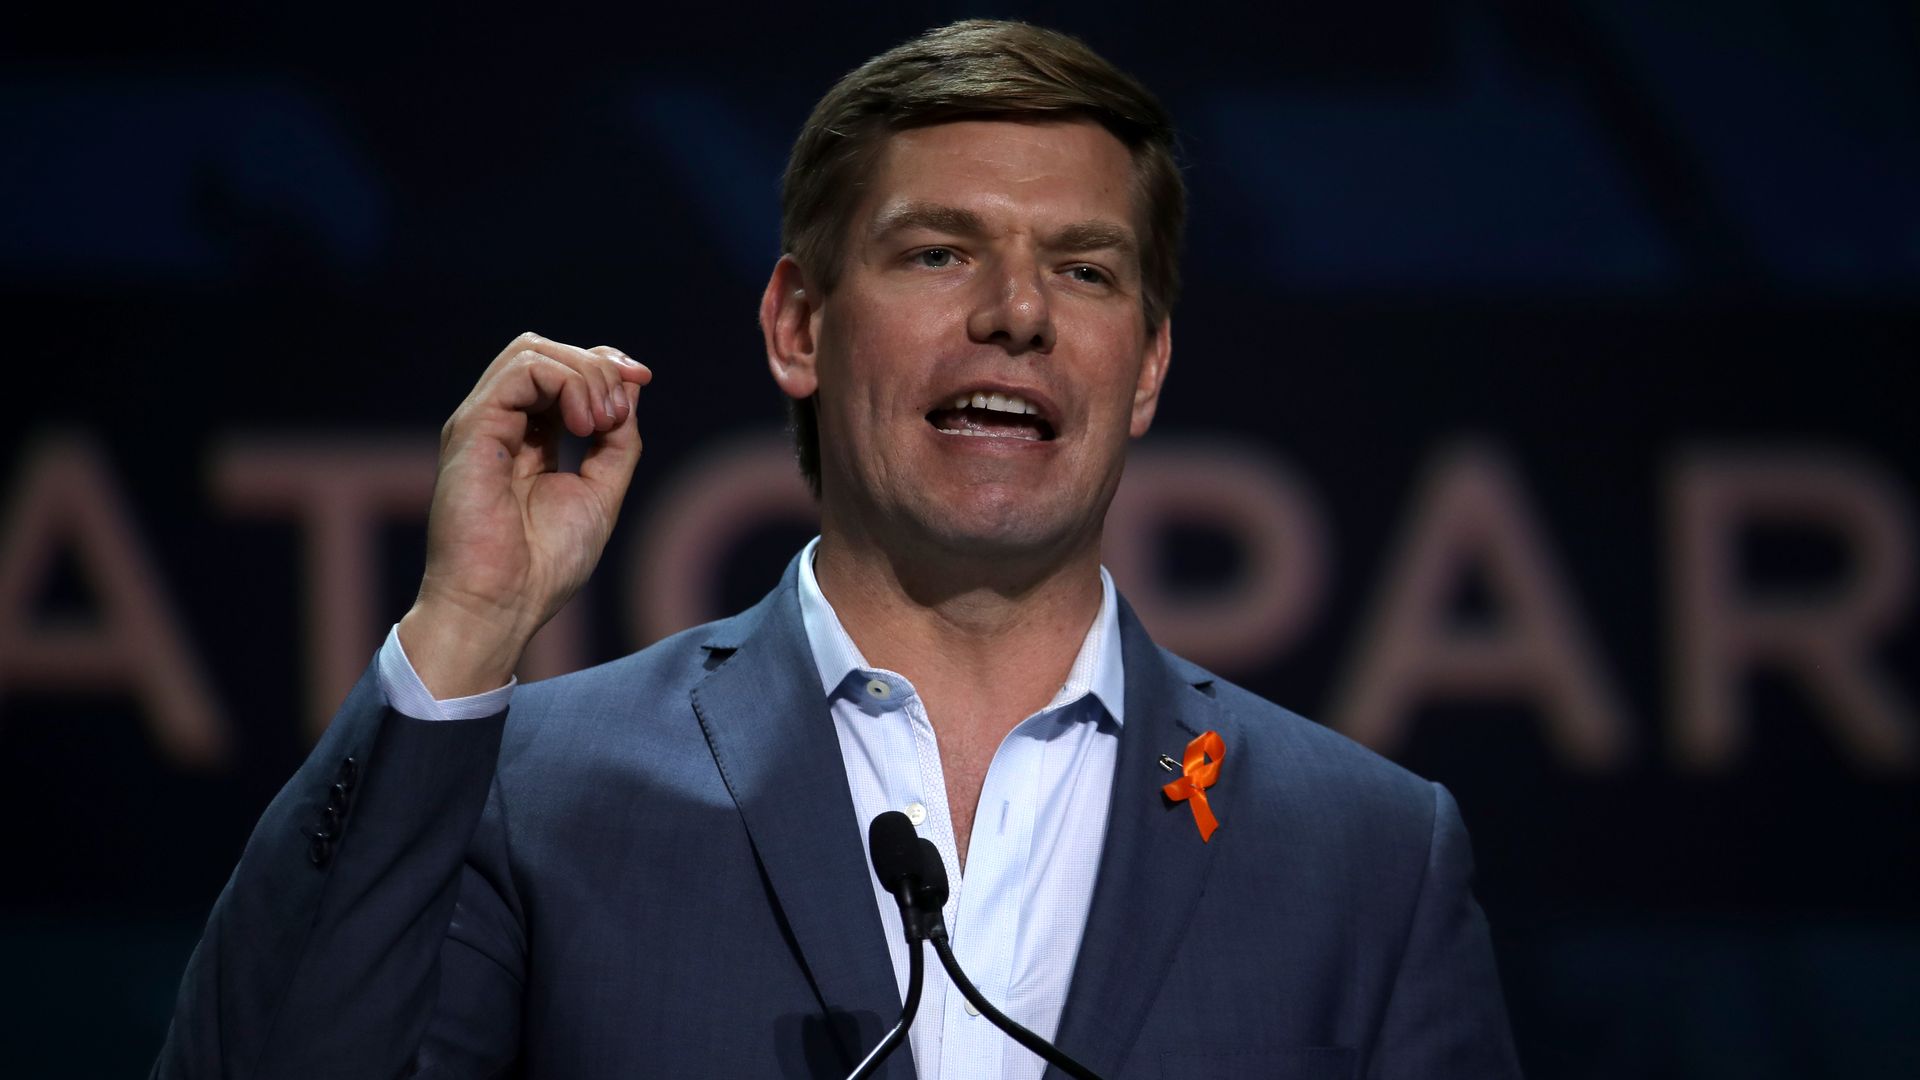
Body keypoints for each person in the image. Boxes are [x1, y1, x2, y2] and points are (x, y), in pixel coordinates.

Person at [153, 19, 1520, 1080]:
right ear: (798, 326)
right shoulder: (539, 795)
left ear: (1147, 369)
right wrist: (462, 625)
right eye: (939, 253)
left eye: (1088, 269)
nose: (1019, 314)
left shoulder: (1369, 858)